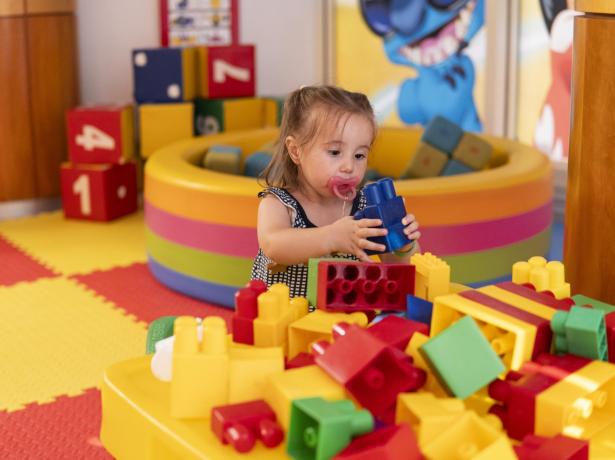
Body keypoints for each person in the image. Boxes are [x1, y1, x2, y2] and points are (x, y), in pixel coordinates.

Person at [250, 85, 421, 298]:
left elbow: (397, 266)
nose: (349, 166)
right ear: (296, 151)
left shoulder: (366, 207)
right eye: (335, 152)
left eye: (359, 155)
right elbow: (273, 245)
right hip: (285, 318)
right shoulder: (279, 204)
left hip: (345, 319)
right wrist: (332, 237)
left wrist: (402, 242)